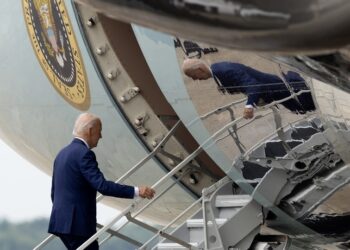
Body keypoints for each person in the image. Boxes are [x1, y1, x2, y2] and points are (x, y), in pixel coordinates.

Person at [48, 113, 155, 250]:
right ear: (90, 131)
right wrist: (137, 191)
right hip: (78, 225)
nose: (101, 136)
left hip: (61, 222)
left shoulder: (62, 153)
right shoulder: (84, 154)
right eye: (99, 131)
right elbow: (102, 186)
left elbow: (54, 191)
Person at [182, 58, 316, 119]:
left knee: (307, 106)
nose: (195, 79)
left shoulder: (223, 71)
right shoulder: (218, 70)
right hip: (275, 90)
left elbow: (253, 85)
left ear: (199, 69)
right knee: (304, 107)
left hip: (281, 89)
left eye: (193, 76)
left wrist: (249, 105)